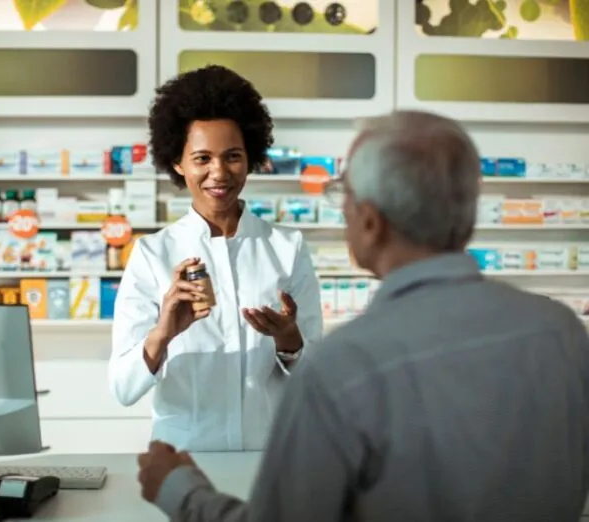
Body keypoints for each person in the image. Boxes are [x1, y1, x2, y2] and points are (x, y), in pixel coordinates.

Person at [136, 110, 589, 521]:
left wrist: (181, 492)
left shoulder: (345, 366)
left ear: (369, 221)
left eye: (343, 194)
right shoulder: (561, 333)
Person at [108, 65, 323, 452]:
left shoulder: (286, 248)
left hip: (269, 456)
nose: (218, 173)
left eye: (233, 156)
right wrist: (163, 333)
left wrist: (290, 342)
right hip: (183, 461)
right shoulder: (152, 254)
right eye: (202, 158)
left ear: (251, 157)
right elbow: (123, 388)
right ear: (178, 162)